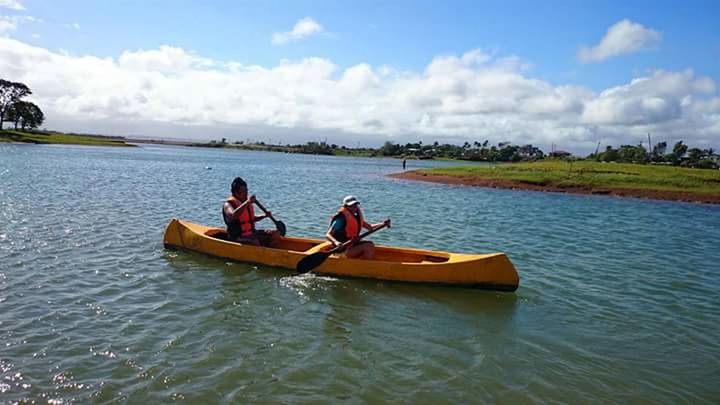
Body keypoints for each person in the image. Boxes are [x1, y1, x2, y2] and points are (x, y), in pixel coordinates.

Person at [325, 195, 390, 259]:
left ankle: (363, 264)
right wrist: (336, 242)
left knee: (370, 244)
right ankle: (365, 267)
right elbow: (328, 234)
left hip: (350, 246)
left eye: (355, 205)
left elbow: (370, 227)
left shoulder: (356, 217)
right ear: (346, 206)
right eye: (351, 206)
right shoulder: (341, 219)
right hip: (341, 250)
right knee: (368, 246)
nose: (354, 207)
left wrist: (382, 224)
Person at [222, 177, 280, 246]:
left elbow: (251, 219)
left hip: (252, 233)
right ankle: (260, 252)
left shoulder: (245, 202)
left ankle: (268, 251)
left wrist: (264, 216)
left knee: (275, 234)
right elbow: (233, 216)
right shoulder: (228, 204)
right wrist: (247, 203)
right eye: (243, 192)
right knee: (254, 242)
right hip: (236, 237)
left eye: (246, 191)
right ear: (235, 193)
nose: (246, 194)